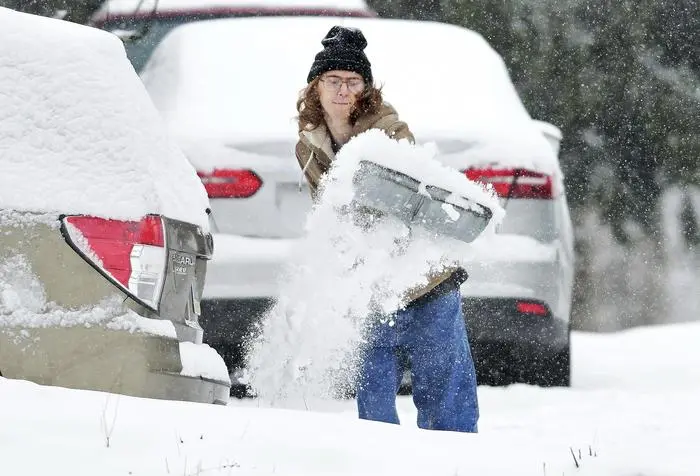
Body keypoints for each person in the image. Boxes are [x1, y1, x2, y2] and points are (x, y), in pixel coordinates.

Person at [294, 25, 479, 433]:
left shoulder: (390, 132)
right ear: (316, 87)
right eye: (333, 81)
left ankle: (457, 464)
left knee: (445, 393)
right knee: (374, 397)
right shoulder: (308, 144)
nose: (343, 91)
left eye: (353, 81)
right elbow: (329, 212)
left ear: (366, 88)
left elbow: (408, 203)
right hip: (372, 285)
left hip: (426, 278)